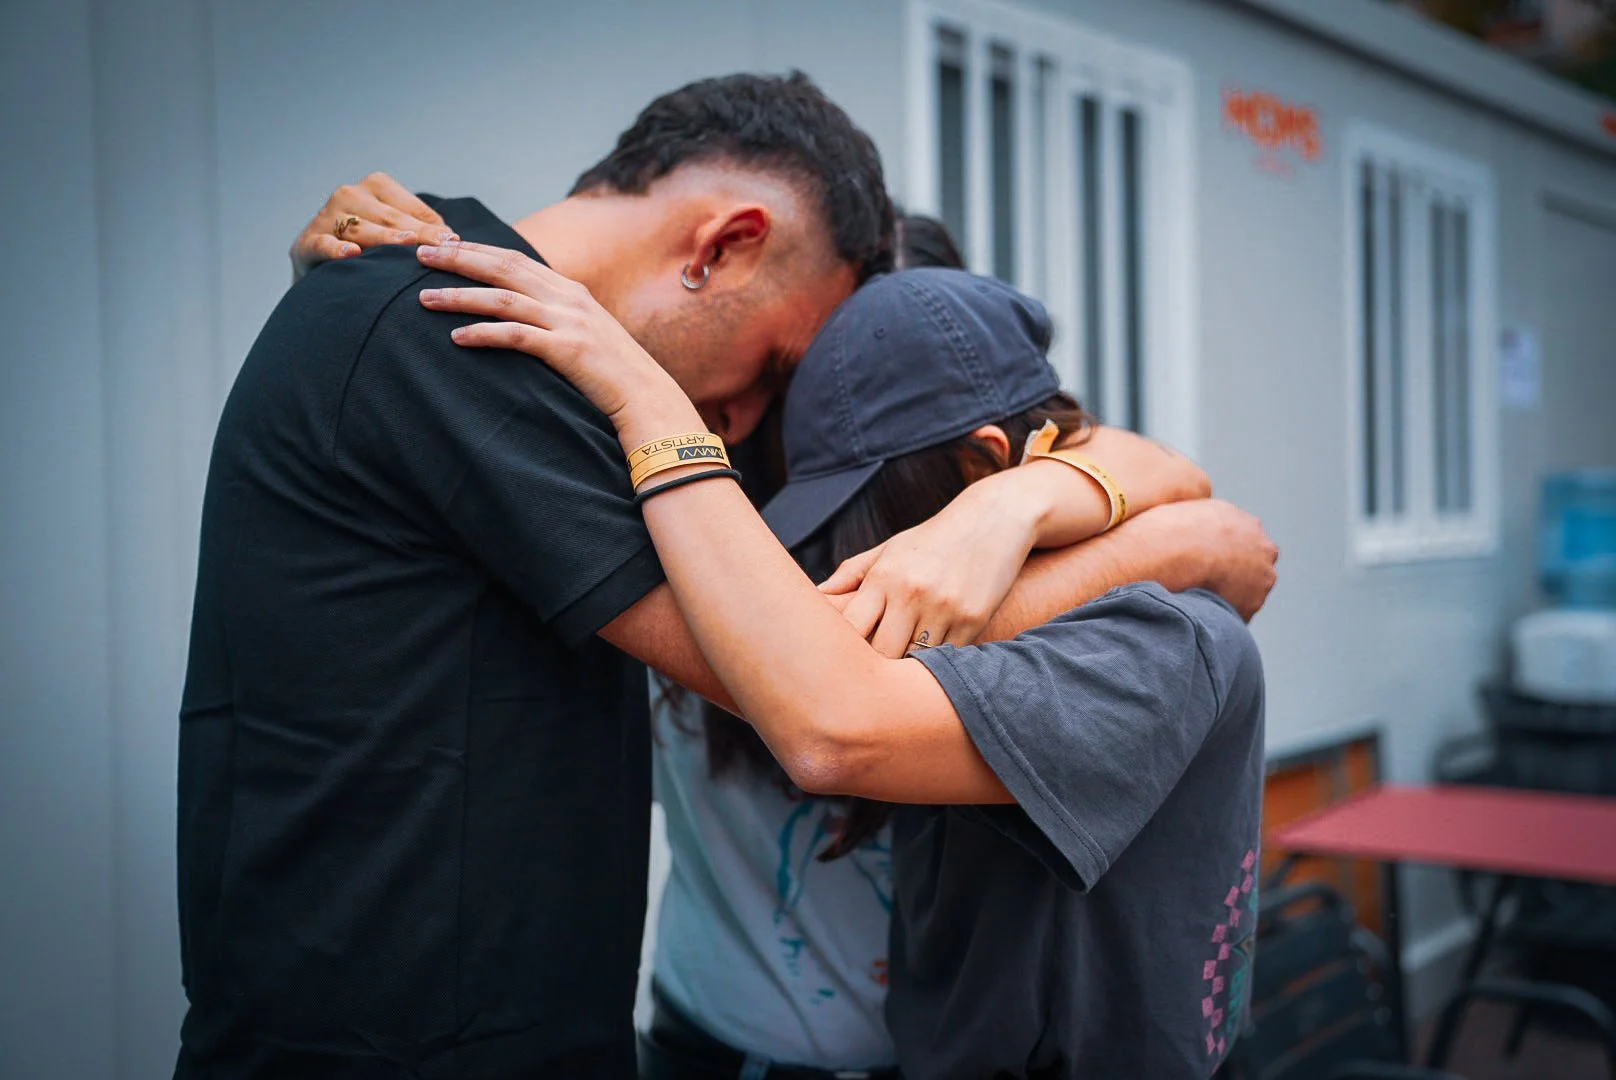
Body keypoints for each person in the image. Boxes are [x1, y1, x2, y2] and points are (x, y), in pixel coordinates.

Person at [188, 72, 1274, 1080]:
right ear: (719, 246)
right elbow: (828, 690)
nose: (746, 425)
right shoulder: (459, 338)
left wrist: (1030, 504)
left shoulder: (527, 370)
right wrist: (1159, 547)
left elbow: (1055, 475)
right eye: (776, 372)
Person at [401, 247, 1269, 1078]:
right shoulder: (1089, 561)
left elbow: (838, 714)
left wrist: (1023, 515)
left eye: (883, 532)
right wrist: (1123, 528)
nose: (862, 562)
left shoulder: (1152, 647)